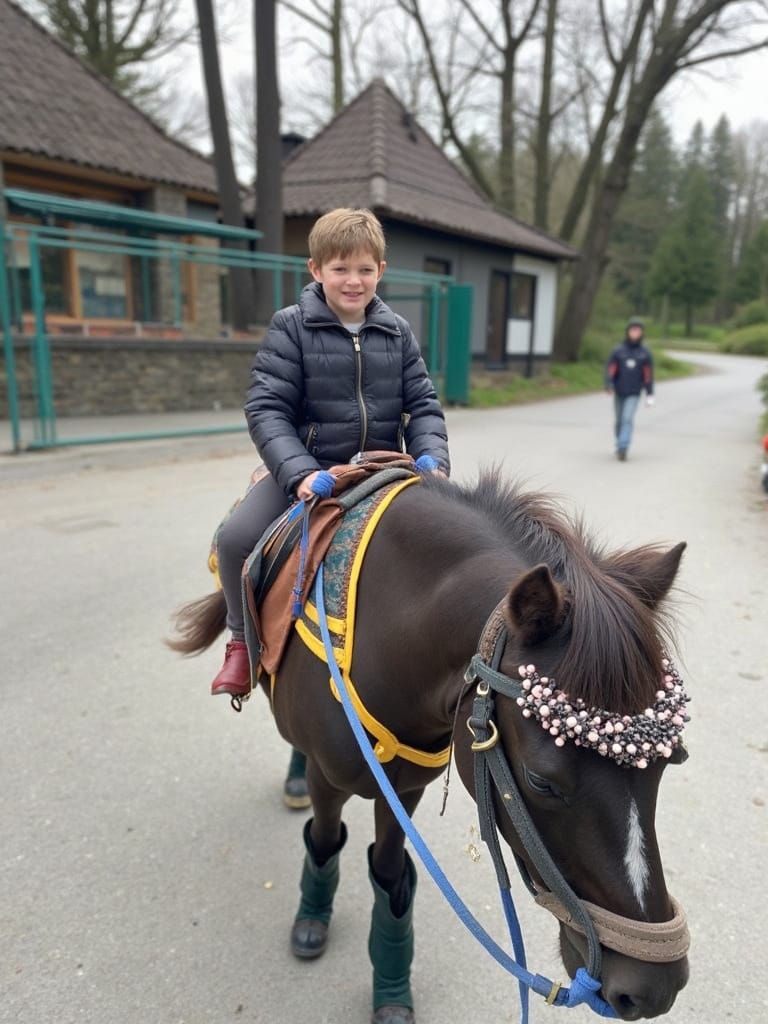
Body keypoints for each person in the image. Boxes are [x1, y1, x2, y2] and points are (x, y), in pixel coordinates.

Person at [211, 207, 450, 699]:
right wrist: (297, 472)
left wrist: (432, 458)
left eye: (364, 269)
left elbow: (423, 405)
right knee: (236, 537)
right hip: (316, 473)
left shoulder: (397, 331)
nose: (353, 281)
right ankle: (241, 643)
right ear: (316, 270)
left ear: (380, 271)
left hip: (386, 472)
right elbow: (267, 408)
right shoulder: (291, 327)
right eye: (340, 269)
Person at [605, 317, 655, 461]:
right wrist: (608, 384)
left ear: (642, 333)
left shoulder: (645, 353)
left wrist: (650, 394)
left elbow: (648, 375)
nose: (635, 333)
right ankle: (619, 442)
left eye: (638, 330)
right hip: (619, 391)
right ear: (628, 332)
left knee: (627, 418)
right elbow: (610, 369)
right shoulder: (618, 351)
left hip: (634, 392)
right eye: (632, 330)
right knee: (619, 421)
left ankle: (623, 447)